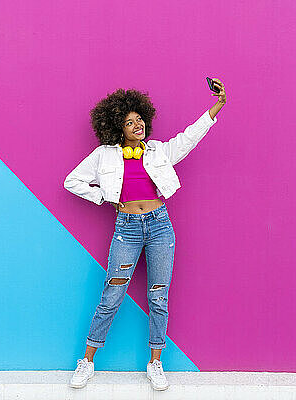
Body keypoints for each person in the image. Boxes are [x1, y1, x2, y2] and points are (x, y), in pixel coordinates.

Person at [63, 79, 226, 390]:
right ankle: (87, 361)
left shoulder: (159, 151)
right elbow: (72, 181)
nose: (137, 125)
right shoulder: (104, 155)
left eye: (139, 119)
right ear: (117, 127)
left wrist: (217, 105)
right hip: (126, 230)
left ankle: (155, 363)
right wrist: (104, 198)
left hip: (160, 226)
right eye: (129, 122)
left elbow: (189, 138)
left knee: (158, 296)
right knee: (112, 295)